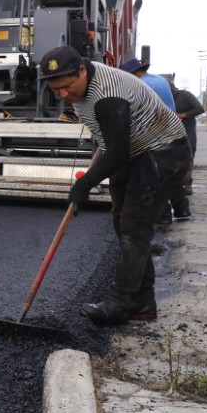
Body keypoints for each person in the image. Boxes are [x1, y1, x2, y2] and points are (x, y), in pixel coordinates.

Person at [38, 45, 191, 325]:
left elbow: (117, 153)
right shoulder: (82, 87)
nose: (62, 94)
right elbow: (113, 144)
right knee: (123, 223)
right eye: (55, 89)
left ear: (82, 70)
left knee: (135, 228)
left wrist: (84, 186)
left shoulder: (108, 95)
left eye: (67, 86)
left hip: (163, 153)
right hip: (135, 153)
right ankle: (143, 303)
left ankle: (119, 303)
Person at [120, 58, 189, 222]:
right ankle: (182, 208)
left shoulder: (139, 85)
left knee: (155, 175)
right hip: (173, 131)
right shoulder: (161, 80)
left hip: (156, 133)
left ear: (133, 73)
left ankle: (163, 217)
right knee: (172, 173)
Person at [169, 80, 204, 195]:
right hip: (172, 131)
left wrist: (183, 115)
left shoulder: (185, 95)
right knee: (173, 157)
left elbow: (200, 109)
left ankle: (188, 183)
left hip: (188, 129)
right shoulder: (163, 98)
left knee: (189, 155)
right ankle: (174, 183)